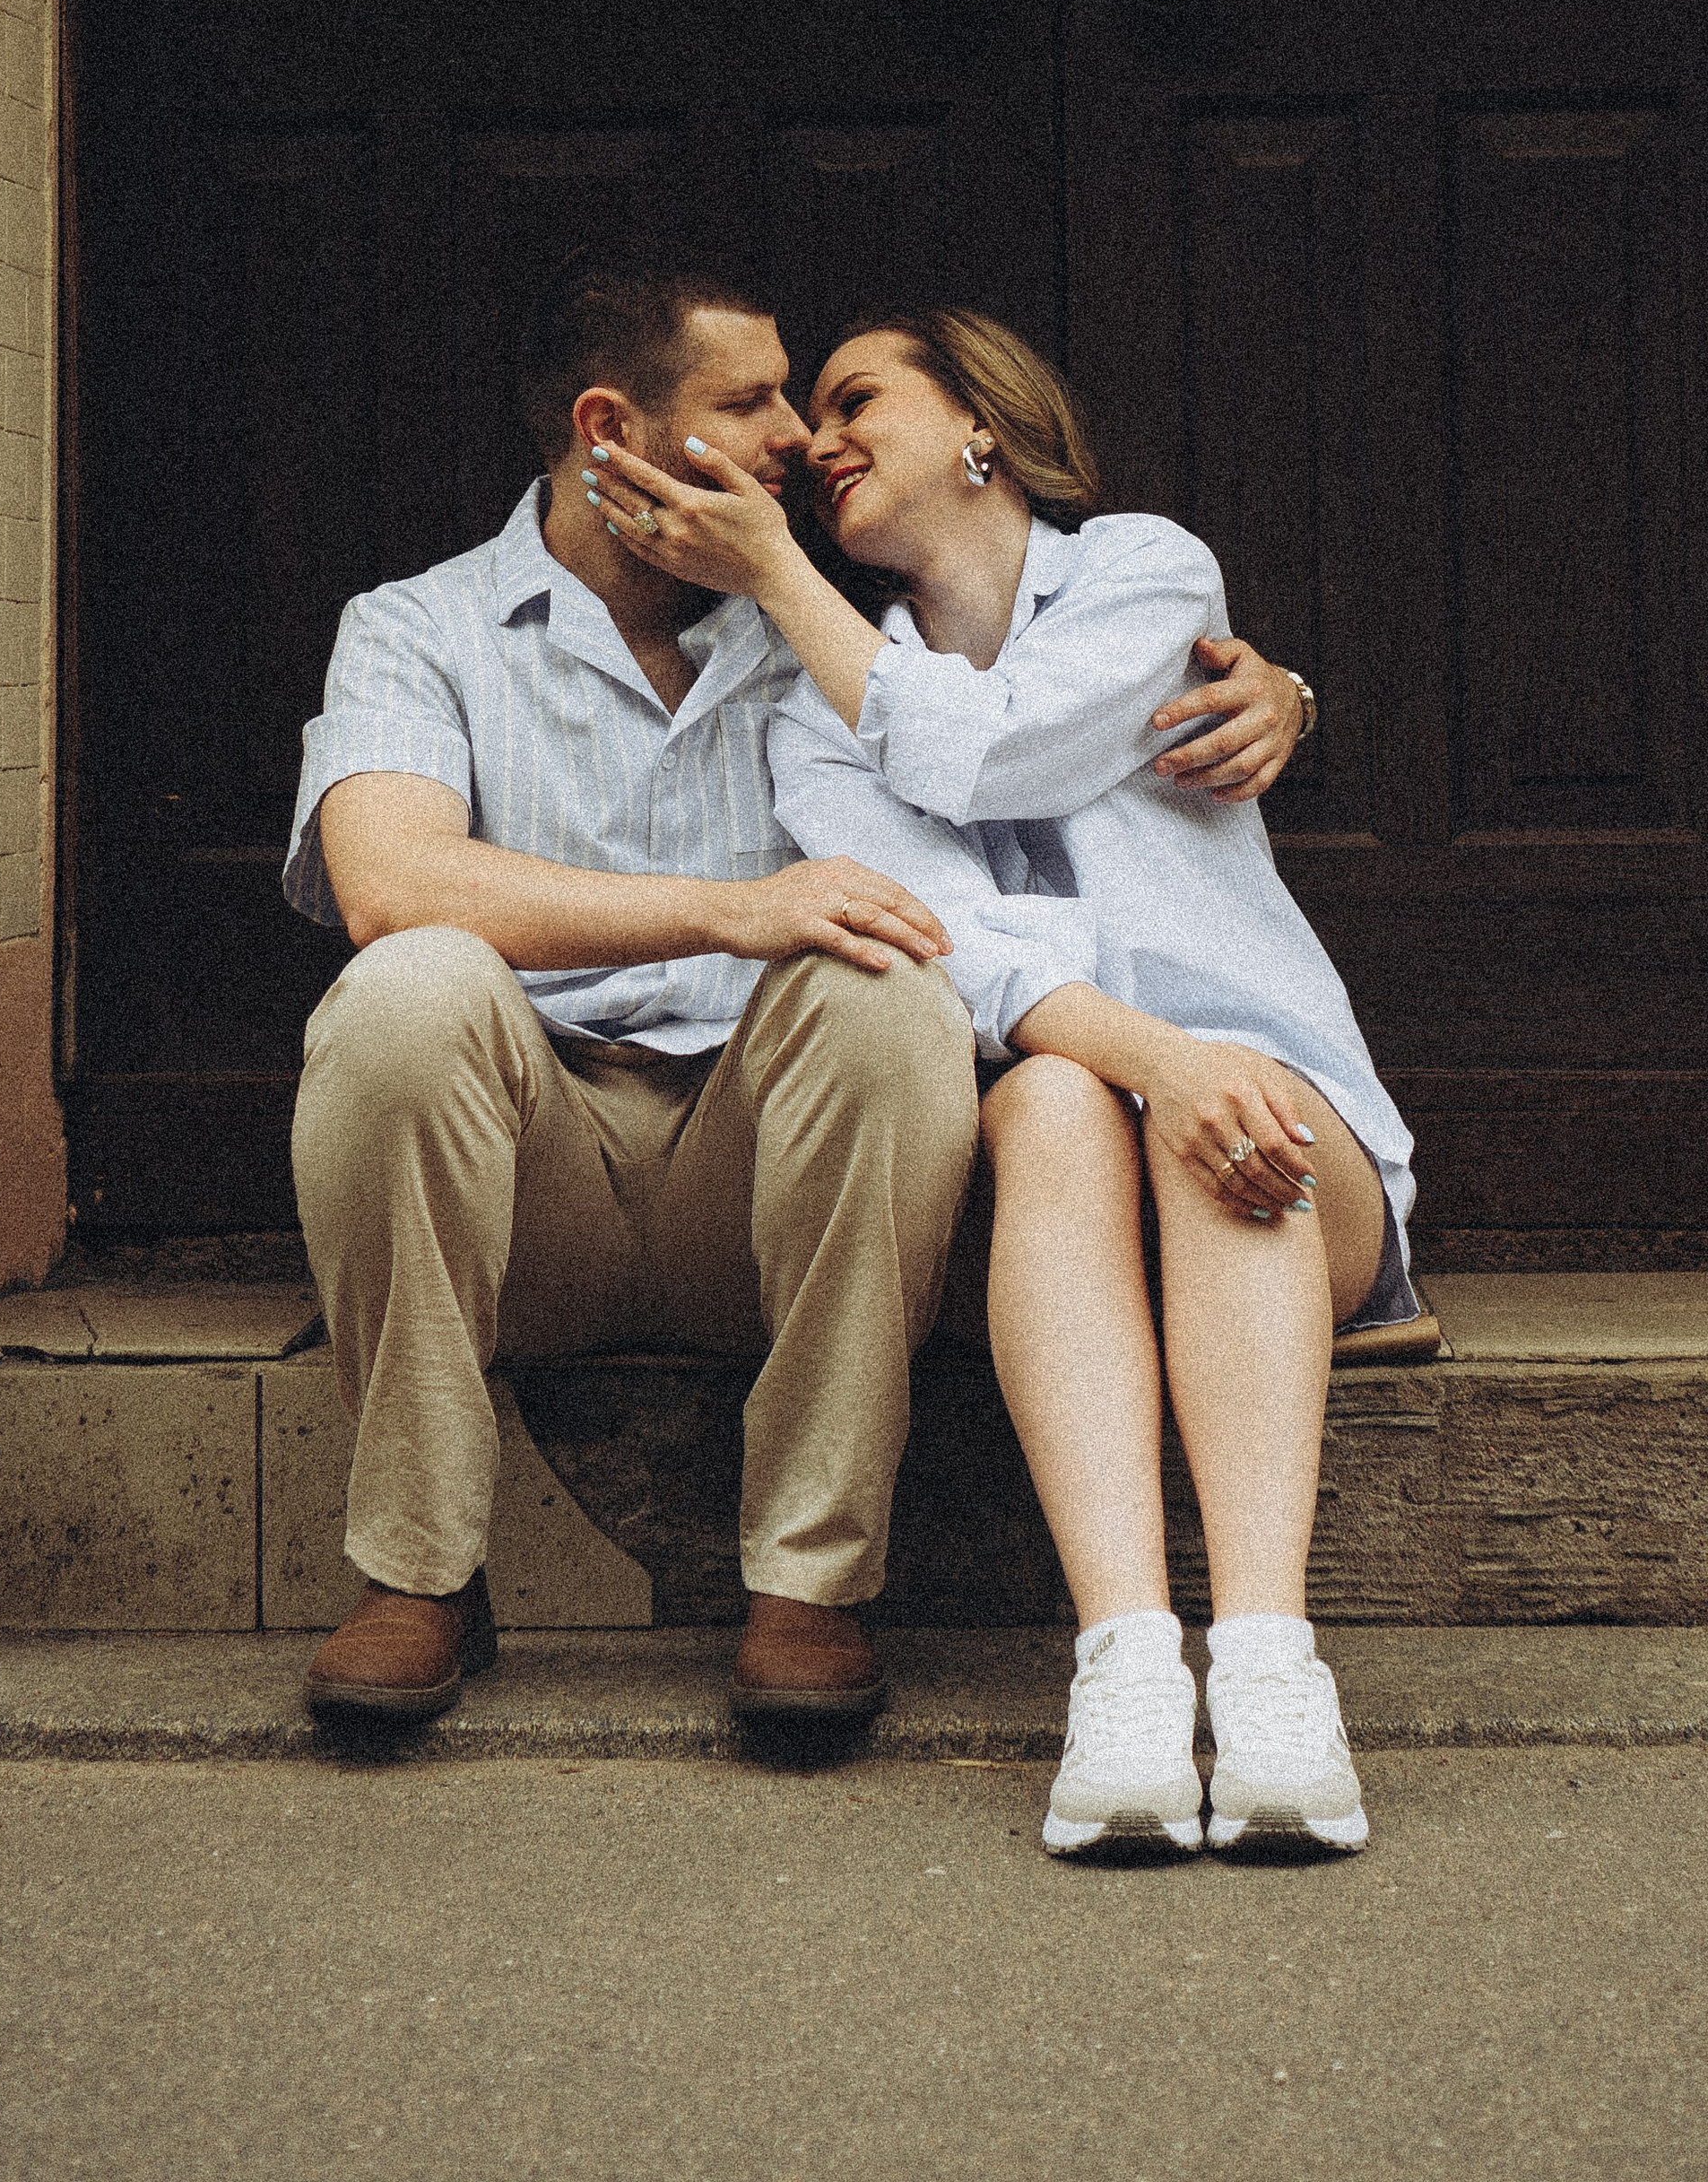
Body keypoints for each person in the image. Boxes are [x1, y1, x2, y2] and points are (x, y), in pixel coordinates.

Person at [282, 258, 1312, 1726]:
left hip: (758, 1187)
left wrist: (1282, 689)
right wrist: (734, 910)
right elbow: (387, 880)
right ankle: (418, 1572)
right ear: (609, 430)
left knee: (889, 985)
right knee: (408, 981)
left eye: (813, 401)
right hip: (525, 1181)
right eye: (752, 400)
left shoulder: (836, 646)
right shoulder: (415, 627)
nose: (795, 441)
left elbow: (1013, 719)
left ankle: (809, 1581)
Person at [580, 306, 1416, 1857]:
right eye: (803, 415)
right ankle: (1125, 1673)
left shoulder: (1147, 576)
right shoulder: (814, 717)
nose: (815, 439)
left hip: (1290, 1152)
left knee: (1209, 1108)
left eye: (856, 398)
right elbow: (961, 953)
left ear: (982, 423)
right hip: (1065, 1176)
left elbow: (992, 753)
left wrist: (1189, 1068)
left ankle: (1274, 1667)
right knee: (1044, 1092)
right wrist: (1153, 1060)